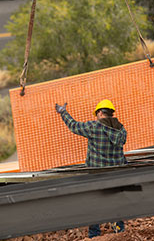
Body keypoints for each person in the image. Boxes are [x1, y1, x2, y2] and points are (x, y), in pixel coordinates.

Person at [55, 99, 127, 238]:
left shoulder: (95, 127)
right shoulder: (121, 129)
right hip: (116, 174)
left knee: (94, 203)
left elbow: (74, 126)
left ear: (100, 113)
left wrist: (63, 112)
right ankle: (120, 231)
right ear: (111, 113)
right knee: (115, 202)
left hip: (97, 174)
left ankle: (94, 235)